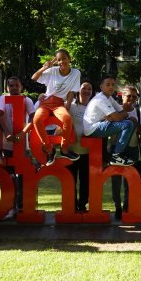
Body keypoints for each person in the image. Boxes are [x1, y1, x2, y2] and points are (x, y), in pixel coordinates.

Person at [31, 49, 81, 165]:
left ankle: (64, 149)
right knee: (37, 120)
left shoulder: (76, 73)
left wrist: (67, 108)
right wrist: (44, 68)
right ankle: (49, 150)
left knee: (67, 119)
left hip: (59, 104)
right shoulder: (52, 70)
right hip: (46, 103)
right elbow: (34, 77)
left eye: (64, 58)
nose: (61, 61)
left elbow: (71, 93)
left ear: (69, 59)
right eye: (59, 60)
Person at [0, 76, 36, 218]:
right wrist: (7, 132)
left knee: (22, 179)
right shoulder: (3, 98)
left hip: (22, 145)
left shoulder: (27, 100)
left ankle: (21, 208)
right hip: (7, 144)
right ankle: (10, 207)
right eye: (11, 85)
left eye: (16, 85)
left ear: (21, 87)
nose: (14, 88)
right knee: (9, 178)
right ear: (7, 88)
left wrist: (22, 133)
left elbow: (33, 117)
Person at [83, 76, 136, 166]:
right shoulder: (101, 99)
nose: (111, 87)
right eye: (108, 85)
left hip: (98, 126)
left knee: (128, 123)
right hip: (92, 129)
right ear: (101, 86)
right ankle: (116, 156)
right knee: (128, 124)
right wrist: (115, 117)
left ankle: (113, 155)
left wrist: (113, 117)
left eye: (113, 85)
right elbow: (118, 117)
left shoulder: (109, 98)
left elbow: (124, 113)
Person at [110, 85, 141, 220]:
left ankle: (127, 207)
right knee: (116, 181)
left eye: (134, 96)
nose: (132, 99)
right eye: (129, 96)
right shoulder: (115, 110)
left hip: (132, 148)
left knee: (130, 181)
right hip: (116, 149)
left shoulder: (138, 112)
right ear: (122, 96)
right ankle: (117, 207)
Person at [66, 80, 93, 212]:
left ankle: (82, 206)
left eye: (89, 89)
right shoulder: (71, 106)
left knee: (85, 181)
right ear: (78, 90)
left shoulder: (94, 108)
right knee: (70, 180)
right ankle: (71, 206)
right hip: (70, 151)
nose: (86, 91)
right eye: (84, 88)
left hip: (87, 152)